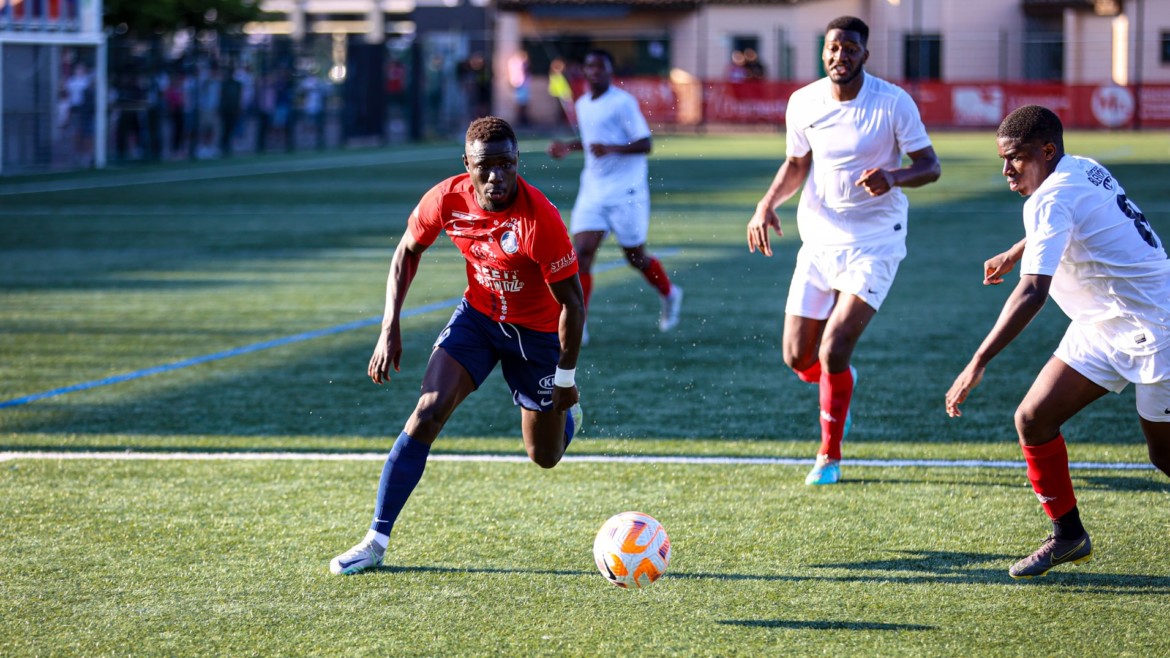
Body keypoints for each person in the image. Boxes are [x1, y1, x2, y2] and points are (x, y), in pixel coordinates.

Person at [329, 116, 586, 575]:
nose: (497, 177)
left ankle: (565, 417)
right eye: (486, 166)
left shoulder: (539, 219)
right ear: (466, 164)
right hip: (479, 321)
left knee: (544, 457)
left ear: (516, 163)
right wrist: (390, 325)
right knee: (427, 411)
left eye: (507, 165)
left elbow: (573, 304)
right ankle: (375, 541)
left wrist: (565, 379)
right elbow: (407, 250)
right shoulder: (446, 198)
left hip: (537, 336)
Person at [945, 105, 1170, 579]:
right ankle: (1069, 536)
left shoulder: (1049, 199)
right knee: (1033, 418)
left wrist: (977, 362)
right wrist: (1014, 250)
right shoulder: (1081, 167)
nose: (1006, 170)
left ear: (1046, 152)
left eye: (1015, 158)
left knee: (1164, 454)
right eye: (1002, 159)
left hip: (1158, 328)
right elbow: (1066, 220)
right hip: (1102, 324)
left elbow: (1032, 292)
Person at [746, 16, 941, 485]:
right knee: (797, 356)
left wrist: (893, 177)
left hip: (875, 242)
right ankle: (838, 392)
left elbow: (930, 166)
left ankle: (828, 457)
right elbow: (796, 163)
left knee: (834, 348)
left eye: (850, 49)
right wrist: (766, 204)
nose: (840, 56)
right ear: (824, 52)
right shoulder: (804, 102)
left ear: (864, 55)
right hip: (819, 239)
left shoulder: (893, 102)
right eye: (833, 48)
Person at [547, 49, 683, 342]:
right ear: (584, 72)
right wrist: (567, 148)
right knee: (580, 254)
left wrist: (612, 149)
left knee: (634, 256)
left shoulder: (623, 103)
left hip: (627, 191)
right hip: (593, 190)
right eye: (590, 67)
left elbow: (646, 143)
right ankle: (578, 322)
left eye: (601, 67)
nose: (595, 72)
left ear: (610, 73)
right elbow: (591, 140)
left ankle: (670, 294)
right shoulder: (582, 104)